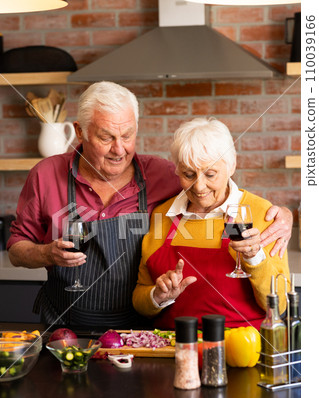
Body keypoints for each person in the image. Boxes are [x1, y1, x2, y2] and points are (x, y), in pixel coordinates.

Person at [7, 82, 292, 329]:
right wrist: (47, 253)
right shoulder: (45, 176)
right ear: (80, 132)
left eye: (128, 135)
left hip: (138, 334)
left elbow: (216, 187)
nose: (119, 149)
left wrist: (284, 216)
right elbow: (17, 249)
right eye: (106, 137)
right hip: (63, 327)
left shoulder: (163, 175)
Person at [132, 117, 291, 330]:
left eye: (210, 174)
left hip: (241, 350)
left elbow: (279, 305)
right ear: (177, 170)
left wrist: (255, 258)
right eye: (189, 174)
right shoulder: (163, 214)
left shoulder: (262, 213)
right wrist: (157, 296)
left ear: (231, 165)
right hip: (172, 349)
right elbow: (139, 300)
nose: (199, 186)